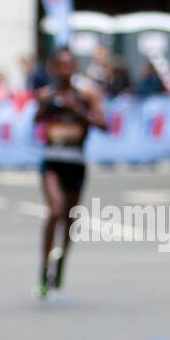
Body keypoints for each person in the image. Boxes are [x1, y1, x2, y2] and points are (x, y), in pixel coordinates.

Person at [34, 47, 106, 297]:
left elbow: (103, 124)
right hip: (52, 161)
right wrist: (47, 106)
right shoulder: (46, 94)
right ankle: (44, 268)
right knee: (55, 209)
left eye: (69, 65)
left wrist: (77, 110)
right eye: (60, 65)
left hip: (75, 162)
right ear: (53, 69)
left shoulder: (86, 95)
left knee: (70, 218)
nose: (65, 70)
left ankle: (61, 260)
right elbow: (36, 121)